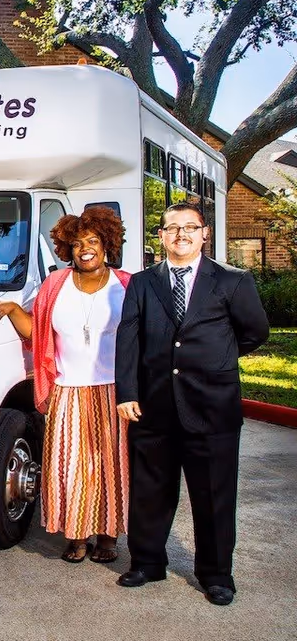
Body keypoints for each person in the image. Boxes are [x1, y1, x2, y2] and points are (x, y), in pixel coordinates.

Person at [114, 202, 269, 606]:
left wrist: (216, 360)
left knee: (214, 493)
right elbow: (128, 339)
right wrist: (127, 392)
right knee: (150, 489)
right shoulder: (143, 283)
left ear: (205, 234)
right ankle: (147, 562)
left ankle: (217, 575)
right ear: (161, 237)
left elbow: (254, 332)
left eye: (190, 227)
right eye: (172, 228)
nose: (181, 234)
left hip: (213, 407)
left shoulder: (233, 280)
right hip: (153, 406)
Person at [0, 205, 130, 563]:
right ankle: (76, 535)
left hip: (114, 391)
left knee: (111, 465)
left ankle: (108, 536)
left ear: (107, 244)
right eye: (77, 244)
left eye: (93, 241)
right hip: (66, 389)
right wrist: (14, 311)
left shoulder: (126, 285)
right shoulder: (54, 286)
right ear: (66, 249)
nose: (85, 249)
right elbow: (38, 333)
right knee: (70, 466)